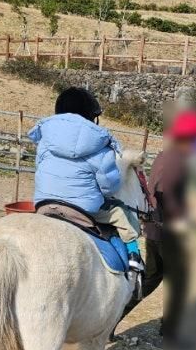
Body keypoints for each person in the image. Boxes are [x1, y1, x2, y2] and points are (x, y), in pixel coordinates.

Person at [28, 87, 144, 272]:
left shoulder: (45, 138)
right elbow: (109, 186)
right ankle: (134, 256)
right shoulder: (99, 143)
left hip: (44, 203)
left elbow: (40, 167)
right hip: (82, 208)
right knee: (120, 212)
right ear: (91, 117)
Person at [115, 109, 196, 344]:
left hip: (157, 230)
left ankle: (112, 319)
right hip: (167, 231)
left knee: (151, 278)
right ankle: (171, 331)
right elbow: (164, 194)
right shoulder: (177, 160)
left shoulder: (166, 156)